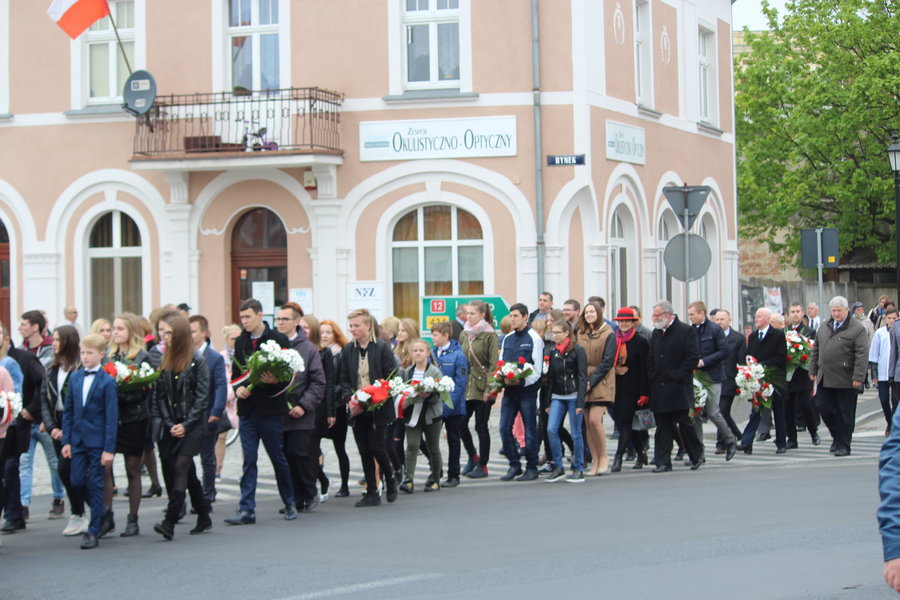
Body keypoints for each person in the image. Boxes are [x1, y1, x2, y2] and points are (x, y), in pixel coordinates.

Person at [225, 298, 298, 524]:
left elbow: (289, 372)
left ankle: (289, 502)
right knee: (249, 459)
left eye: (248, 317)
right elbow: (237, 374)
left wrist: (275, 379)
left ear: (259, 315)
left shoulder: (278, 338)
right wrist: (238, 390)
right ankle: (247, 509)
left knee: (278, 457)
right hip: (248, 411)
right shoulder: (242, 341)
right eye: (242, 317)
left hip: (270, 409)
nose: (244, 322)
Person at [151, 315, 211, 540]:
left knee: (180, 466)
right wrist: (170, 423)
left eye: (168, 333)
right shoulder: (165, 359)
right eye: (163, 333)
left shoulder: (197, 360)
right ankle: (203, 513)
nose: (163, 337)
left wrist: (185, 425)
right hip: (171, 424)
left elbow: (202, 398)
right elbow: (161, 396)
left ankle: (171, 519)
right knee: (185, 472)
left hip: (193, 425)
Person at [61, 333, 118, 549]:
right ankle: (100, 510)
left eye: (89, 353)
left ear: (101, 354)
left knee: (95, 483)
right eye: (82, 352)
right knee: (76, 480)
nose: (84, 357)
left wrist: (109, 449)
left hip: (97, 441)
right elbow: (68, 411)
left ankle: (93, 531)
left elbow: (112, 418)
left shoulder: (107, 382)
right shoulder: (75, 378)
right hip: (78, 440)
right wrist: (67, 441)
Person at [337, 309, 398, 507]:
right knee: (363, 450)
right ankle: (371, 491)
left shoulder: (381, 347)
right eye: (351, 326)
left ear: (368, 326)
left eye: (356, 325)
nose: (352, 329)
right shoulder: (348, 349)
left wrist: (376, 397)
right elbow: (343, 380)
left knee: (377, 447)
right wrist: (351, 398)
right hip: (357, 408)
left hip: (378, 407)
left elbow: (392, 377)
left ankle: (390, 479)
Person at [275, 304, 325, 512]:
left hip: (301, 413)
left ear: (296, 322)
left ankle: (308, 491)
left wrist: (303, 405)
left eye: (284, 319)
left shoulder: (307, 348)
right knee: (284, 456)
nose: (280, 323)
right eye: (278, 319)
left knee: (299, 453)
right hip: (279, 412)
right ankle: (292, 498)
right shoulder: (274, 345)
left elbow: (318, 382)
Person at [40, 325, 89, 535]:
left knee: (67, 469)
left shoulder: (79, 368)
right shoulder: (51, 368)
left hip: (76, 424)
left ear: (68, 342)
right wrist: (51, 426)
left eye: (58, 340)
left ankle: (90, 510)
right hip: (57, 422)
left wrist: (67, 429)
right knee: (65, 470)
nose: (54, 343)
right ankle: (78, 512)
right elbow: (44, 398)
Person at [647, 301, 704, 472]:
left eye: (657, 316)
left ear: (667, 315)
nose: (654, 319)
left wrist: (679, 375)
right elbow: (651, 357)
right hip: (659, 386)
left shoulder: (686, 331)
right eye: (654, 316)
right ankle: (663, 461)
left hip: (678, 387)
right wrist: (653, 375)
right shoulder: (656, 333)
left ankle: (696, 455)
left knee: (685, 424)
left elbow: (692, 357)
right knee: (663, 426)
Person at [810, 296, 869, 456]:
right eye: (833, 311)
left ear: (847, 310)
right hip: (825, 376)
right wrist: (812, 370)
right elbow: (815, 350)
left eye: (839, 311)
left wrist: (859, 376)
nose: (836, 314)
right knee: (823, 406)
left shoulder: (857, 329)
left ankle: (844, 444)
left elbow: (862, 354)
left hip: (845, 378)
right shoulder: (824, 327)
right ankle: (837, 435)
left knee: (845, 412)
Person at [3, 327, 47, 534]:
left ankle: (14, 513)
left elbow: (15, 395)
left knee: (10, 469)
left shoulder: (10, 364)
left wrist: (29, 410)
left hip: (10, 427)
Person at [498, 303, 544, 481]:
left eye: (516, 316)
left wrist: (522, 380)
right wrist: (502, 378)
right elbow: (501, 363)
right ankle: (514, 464)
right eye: (511, 316)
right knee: (503, 428)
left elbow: (537, 369)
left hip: (527, 392)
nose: (513, 319)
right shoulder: (508, 338)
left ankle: (532, 467)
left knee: (530, 430)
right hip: (510, 391)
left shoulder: (534, 338)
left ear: (525, 317)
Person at [687, 301, 737, 462]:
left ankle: (730, 440)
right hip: (695, 377)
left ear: (702, 314)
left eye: (692, 314)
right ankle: (698, 452)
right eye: (689, 315)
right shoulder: (690, 331)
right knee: (695, 414)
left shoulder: (714, 329)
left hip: (713, 376)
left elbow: (724, 351)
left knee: (713, 412)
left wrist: (705, 361)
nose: (690, 317)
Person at [735, 307, 788, 455]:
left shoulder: (777, 335)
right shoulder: (752, 336)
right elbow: (749, 355)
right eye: (756, 317)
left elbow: (781, 357)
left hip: (774, 378)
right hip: (758, 380)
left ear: (766, 319)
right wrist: (750, 368)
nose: (755, 319)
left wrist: (763, 366)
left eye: (758, 317)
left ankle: (781, 443)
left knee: (778, 411)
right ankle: (747, 442)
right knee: (756, 411)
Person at [541, 319, 587, 482]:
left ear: (567, 333)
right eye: (553, 332)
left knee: (576, 433)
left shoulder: (577, 350)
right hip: (557, 397)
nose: (554, 335)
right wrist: (547, 402)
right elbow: (551, 379)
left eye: (557, 332)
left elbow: (582, 377)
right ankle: (558, 467)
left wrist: (581, 402)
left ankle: (578, 468)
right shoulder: (553, 351)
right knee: (551, 429)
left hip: (573, 396)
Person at [188, 315, 227, 507]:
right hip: (189, 415)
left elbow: (220, 385)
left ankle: (208, 493)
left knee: (207, 456)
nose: (190, 335)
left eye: (193, 331)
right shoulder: (185, 355)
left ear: (204, 333)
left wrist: (217, 410)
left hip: (207, 413)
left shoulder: (214, 358)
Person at [398, 340, 445, 493]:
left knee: (433, 448)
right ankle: (408, 480)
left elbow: (439, 396)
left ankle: (436, 480)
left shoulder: (435, 372)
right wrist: (405, 402)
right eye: (415, 350)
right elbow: (402, 391)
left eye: (421, 350)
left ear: (427, 353)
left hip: (431, 416)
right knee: (411, 445)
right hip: (412, 415)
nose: (418, 353)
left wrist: (427, 395)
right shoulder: (407, 372)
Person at [459, 300, 499, 479]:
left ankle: (483, 465)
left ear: (482, 315)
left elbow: (493, 364)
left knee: (481, 425)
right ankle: (472, 455)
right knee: (460, 423)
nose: (469, 317)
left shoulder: (490, 335)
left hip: (483, 386)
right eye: (467, 313)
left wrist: (490, 389)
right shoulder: (464, 333)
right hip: (467, 386)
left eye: (472, 314)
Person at [576, 300, 615, 476]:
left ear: (598, 313)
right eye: (586, 312)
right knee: (587, 423)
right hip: (583, 379)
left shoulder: (608, 333)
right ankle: (595, 459)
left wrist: (592, 380)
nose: (589, 315)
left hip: (602, 379)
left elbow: (607, 361)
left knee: (594, 420)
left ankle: (604, 456)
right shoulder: (581, 333)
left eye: (592, 311)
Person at [609, 307, 650, 471]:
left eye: (627, 321)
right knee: (626, 424)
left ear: (633, 323)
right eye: (621, 321)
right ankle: (641, 452)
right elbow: (607, 362)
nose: (624, 324)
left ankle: (618, 457)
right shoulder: (613, 339)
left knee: (626, 423)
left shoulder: (641, 341)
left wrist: (644, 393)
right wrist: (615, 369)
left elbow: (645, 369)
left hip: (634, 388)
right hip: (617, 387)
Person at [430, 321, 468, 487]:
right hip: (434, 405)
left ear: (446, 336)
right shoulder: (432, 354)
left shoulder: (458, 355)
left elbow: (460, 384)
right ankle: (436, 471)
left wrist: (446, 406)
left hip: (453, 407)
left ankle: (454, 475)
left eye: (436, 335)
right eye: (432, 335)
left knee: (453, 440)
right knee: (432, 441)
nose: (433, 338)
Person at [319, 319, 351, 497]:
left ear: (335, 335)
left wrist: (336, 396)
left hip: (337, 406)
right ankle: (321, 478)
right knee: (311, 445)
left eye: (328, 332)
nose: (324, 335)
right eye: (322, 332)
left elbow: (342, 380)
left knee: (340, 447)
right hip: (319, 405)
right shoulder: (317, 352)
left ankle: (344, 485)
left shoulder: (341, 353)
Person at [785, 302, 821, 447]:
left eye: (797, 311)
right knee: (788, 408)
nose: (795, 314)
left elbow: (813, 351)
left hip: (803, 374)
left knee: (806, 405)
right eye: (792, 311)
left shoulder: (809, 331)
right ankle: (792, 439)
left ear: (802, 313)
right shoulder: (784, 331)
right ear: (788, 314)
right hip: (788, 375)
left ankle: (814, 432)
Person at [714, 309, 746, 452]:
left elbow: (741, 361)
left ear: (729, 321)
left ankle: (721, 443)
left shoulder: (737, 338)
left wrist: (741, 381)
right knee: (721, 412)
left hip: (729, 380)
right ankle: (737, 434)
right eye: (718, 319)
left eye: (722, 319)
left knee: (721, 411)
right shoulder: (712, 336)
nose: (720, 322)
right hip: (714, 379)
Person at [215, 324, 241, 477]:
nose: (236, 342)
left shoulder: (245, 354)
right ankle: (218, 468)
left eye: (239, 338)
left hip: (241, 401)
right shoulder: (222, 356)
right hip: (227, 400)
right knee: (221, 435)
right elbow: (222, 379)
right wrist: (230, 393)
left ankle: (247, 469)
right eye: (233, 339)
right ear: (226, 339)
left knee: (247, 437)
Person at [872, 308, 899, 436]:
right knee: (883, 399)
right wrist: (874, 374)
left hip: (894, 373)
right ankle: (889, 420)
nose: (892, 321)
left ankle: (893, 425)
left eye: (894, 318)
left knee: (895, 401)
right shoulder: (880, 333)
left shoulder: (898, 331)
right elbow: (874, 354)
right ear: (885, 319)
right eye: (889, 318)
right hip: (882, 372)